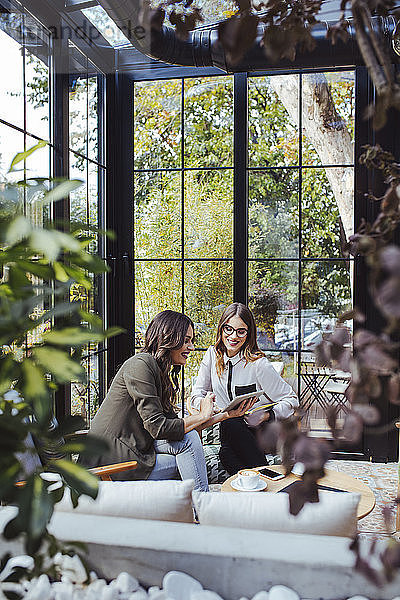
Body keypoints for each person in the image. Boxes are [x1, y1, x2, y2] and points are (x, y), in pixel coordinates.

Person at [82, 310, 219, 491]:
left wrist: (225, 414)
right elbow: (158, 428)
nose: (191, 347)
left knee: (189, 443)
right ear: (169, 338)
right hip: (110, 464)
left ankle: (196, 507)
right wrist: (202, 415)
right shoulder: (140, 364)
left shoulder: (157, 370)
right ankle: (202, 507)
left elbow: (173, 427)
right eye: (186, 340)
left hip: (133, 449)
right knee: (188, 458)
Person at [190, 302, 299, 475]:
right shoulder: (212, 355)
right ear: (221, 329)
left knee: (229, 437)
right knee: (226, 449)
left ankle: (265, 478)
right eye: (229, 329)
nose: (234, 336)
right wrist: (207, 404)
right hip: (229, 430)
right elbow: (196, 394)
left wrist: (266, 415)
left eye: (241, 331)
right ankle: (267, 481)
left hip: (260, 431)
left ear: (248, 334)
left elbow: (292, 400)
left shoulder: (258, 364)